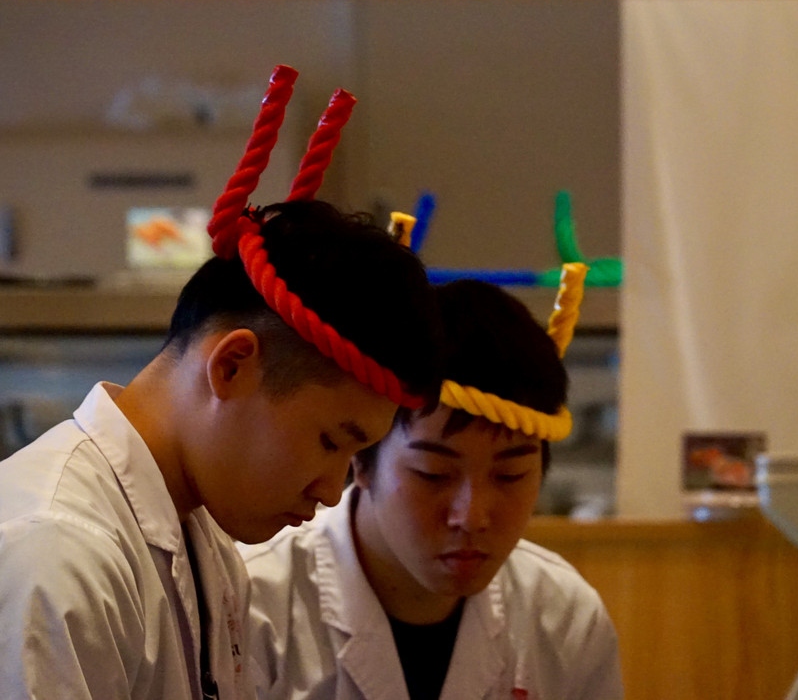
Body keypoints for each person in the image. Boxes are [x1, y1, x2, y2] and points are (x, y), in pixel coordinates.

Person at [0, 71, 444, 697]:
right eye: (329, 441)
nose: (330, 489)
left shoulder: (207, 543)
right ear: (232, 366)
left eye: (352, 456)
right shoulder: (57, 550)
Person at [242, 268, 624, 700]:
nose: (472, 516)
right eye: (434, 475)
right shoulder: (253, 604)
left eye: (509, 475)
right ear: (361, 460)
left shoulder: (563, 616)